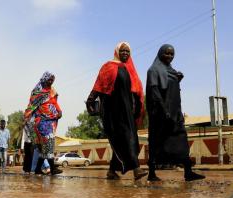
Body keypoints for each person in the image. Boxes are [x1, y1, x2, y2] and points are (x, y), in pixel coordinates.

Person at [86, 41, 147, 180]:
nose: (125, 53)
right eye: (123, 51)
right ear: (117, 52)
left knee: (125, 139)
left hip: (127, 110)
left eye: (127, 51)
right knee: (127, 138)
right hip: (112, 110)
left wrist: (137, 108)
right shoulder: (108, 66)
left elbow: (136, 91)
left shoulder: (130, 69)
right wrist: (90, 100)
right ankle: (136, 169)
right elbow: (99, 85)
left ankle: (112, 170)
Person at [146, 44, 205, 182]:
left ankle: (188, 172)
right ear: (160, 53)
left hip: (175, 112)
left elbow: (171, 90)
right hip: (161, 114)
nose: (169, 56)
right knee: (157, 141)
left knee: (181, 139)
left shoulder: (171, 70)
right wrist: (163, 110)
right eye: (166, 53)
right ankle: (152, 173)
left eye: (172, 54)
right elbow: (154, 90)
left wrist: (178, 79)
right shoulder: (153, 70)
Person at [24, 71, 63, 175]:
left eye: (52, 80)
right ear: (44, 79)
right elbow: (30, 108)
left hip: (51, 121)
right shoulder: (38, 93)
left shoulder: (51, 92)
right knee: (49, 143)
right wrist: (27, 121)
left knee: (44, 149)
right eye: (49, 79)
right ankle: (52, 168)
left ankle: (37, 169)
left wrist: (59, 111)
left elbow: (54, 102)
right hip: (42, 122)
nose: (51, 82)